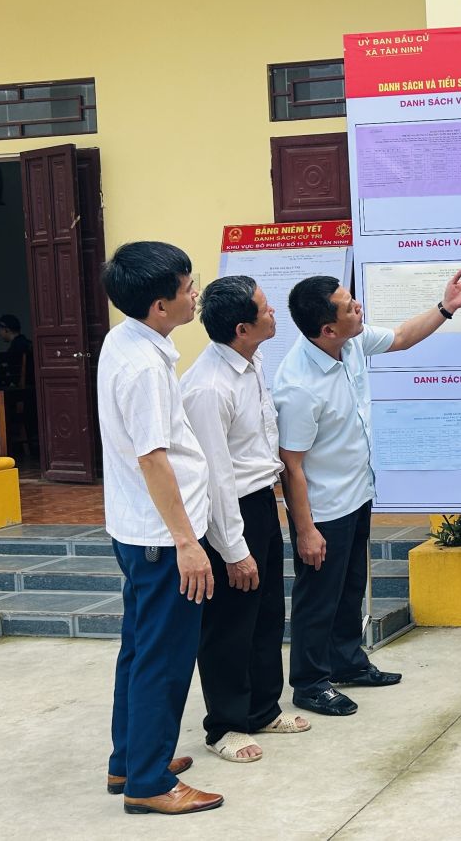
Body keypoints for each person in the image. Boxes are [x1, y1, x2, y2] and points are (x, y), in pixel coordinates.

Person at [275, 269, 461, 717]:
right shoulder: (297, 386)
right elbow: (290, 466)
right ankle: (310, 683)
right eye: (349, 306)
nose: (359, 307)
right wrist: (306, 530)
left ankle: (347, 663)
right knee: (319, 598)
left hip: (357, 492)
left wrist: (446, 307)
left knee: (351, 587)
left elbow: (404, 337)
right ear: (327, 329)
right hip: (323, 508)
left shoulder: (349, 342)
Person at [97, 241, 222, 816]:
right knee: (164, 659)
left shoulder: (125, 339)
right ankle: (149, 782)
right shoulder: (145, 367)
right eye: (188, 287)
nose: (196, 294)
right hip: (161, 537)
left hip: (138, 528)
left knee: (140, 649)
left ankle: (130, 760)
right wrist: (188, 543)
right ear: (159, 305)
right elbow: (153, 458)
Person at [181, 276, 311, 766]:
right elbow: (214, 477)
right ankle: (226, 725)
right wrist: (233, 550)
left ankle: (261, 709)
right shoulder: (208, 387)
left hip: (259, 502)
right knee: (230, 625)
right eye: (265, 307)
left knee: (265, 615)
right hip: (226, 512)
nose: (273, 311)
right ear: (242, 328)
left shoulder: (251, 362)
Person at [0, 314, 33, 387]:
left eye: (0, 329)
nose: (0, 333)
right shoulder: (27, 343)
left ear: (7, 330)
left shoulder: (15, 347)